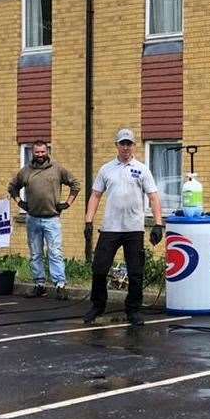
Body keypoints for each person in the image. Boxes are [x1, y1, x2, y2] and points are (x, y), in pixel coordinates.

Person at [83, 128, 163, 327]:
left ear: (133, 146)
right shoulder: (106, 169)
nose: (126, 147)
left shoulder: (142, 169)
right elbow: (95, 195)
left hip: (134, 229)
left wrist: (159, 224)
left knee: (136, 272)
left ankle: (133, 310)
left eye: (129, 143)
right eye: (122, 143)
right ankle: (97, 306)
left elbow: (153, 197)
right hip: (110, 228)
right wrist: (88, 221)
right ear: (116, 145)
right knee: (99, 269)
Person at [8, 139, 82, 299]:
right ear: (32, 153)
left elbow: (75, 184)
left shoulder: (57, 169)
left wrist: (67, 203)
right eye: (37, 152)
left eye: (43, 152)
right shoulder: (25, 171)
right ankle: (39, 285)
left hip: (52, 219)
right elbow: (12, 187)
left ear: (47, 152)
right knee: (35, 254)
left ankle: (60, 286)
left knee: (55, 253)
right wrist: (19, 202)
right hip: (32, 219)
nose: (40, 155)